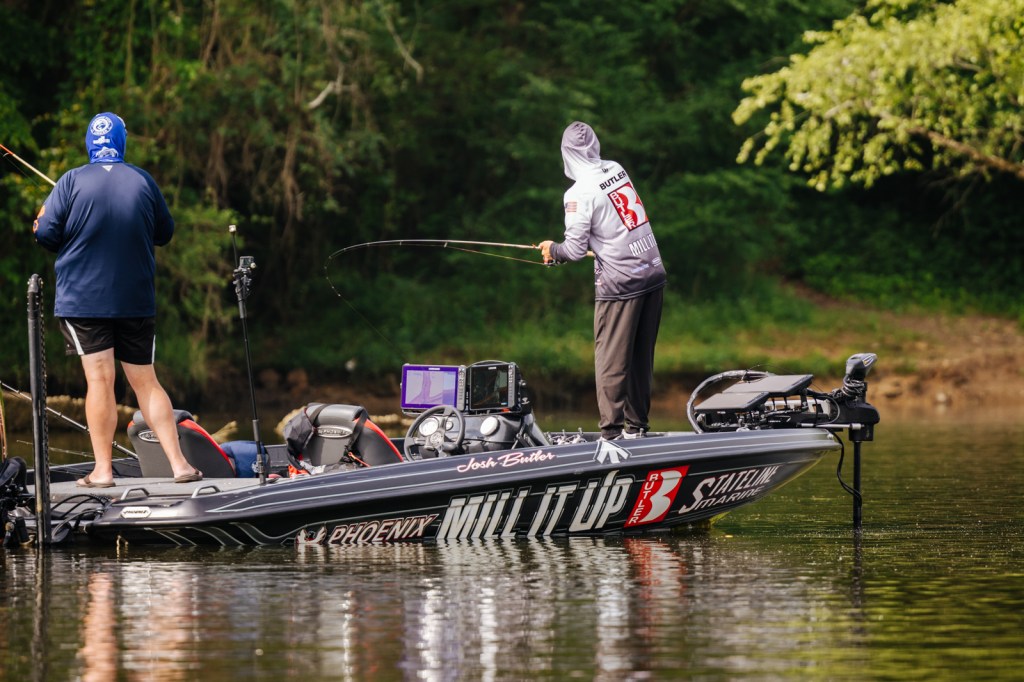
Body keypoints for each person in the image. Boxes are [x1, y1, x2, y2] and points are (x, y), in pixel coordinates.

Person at [32, 112, 202, 487]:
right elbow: (165, 232)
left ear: (89, 143)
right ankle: (180, 466)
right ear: (121, 142)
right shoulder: (142, 180)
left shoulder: (70, 181)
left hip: (84, 301)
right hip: (134, 299)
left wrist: (56, 219)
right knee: (146, 382)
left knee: (100, 381)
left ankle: (103, 472)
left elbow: (44, 234)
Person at [539, 121, 667, 440]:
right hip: (652, 272)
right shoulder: (616, 169)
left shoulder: (577, 194)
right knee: (639, 358)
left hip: (621, 285)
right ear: (595, 145)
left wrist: (552, 249)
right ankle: (636, 429)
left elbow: (573, 250)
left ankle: (610, 435)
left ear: (566, 153)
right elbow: (616, 226)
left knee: (611, 360)